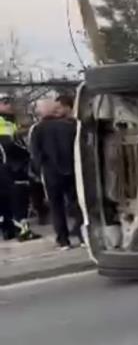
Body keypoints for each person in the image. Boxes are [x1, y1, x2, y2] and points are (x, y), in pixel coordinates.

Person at [30, 97, 82, 249]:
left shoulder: (37, 129)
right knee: (76, 203)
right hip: (71, 170)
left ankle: (63, 240)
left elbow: (35, 153)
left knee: (56, 206)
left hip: (50, 173)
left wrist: (37, 171)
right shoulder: (69, 126)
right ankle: (82, 235)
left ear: (40, 112)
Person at [0, 95, 39, 241]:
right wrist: (27, 153)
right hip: (12, 168)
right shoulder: (3, 122)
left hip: (7, 168)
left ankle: (8, 230)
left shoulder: (9, 121)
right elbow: (9, 145)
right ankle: (23, 231)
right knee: (18, 202)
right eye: (5, 103)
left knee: (5, 203)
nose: (9, 105)